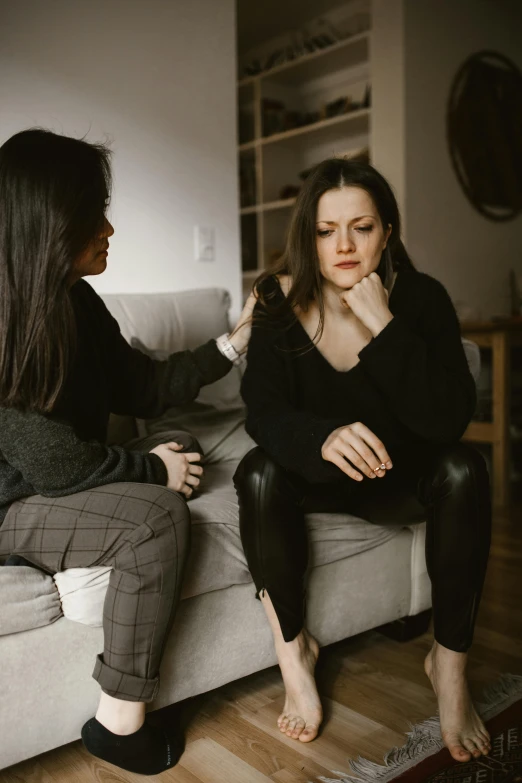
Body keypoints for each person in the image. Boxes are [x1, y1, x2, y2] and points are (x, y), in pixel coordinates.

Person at [0, 128, 255, 776]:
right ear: (52, 223)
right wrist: (150, 473)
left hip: (62, 474)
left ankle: (153, 476)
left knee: (183, 445)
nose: (109, 228)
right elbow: (55, 467)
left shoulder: (78, 302)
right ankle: (119, 722)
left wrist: (232, 341)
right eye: (95, 213)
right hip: (12, 504)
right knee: (156, 516)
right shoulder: (7, 319)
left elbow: (142, 384)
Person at [233, 158, 492, 763]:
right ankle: (296, 654)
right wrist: (319, 437)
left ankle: (447, 666)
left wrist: (385, 327)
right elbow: (263, 412)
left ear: (388, 232)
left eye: (362, 227)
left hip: (399, 479)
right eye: (326, 231)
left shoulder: (422, 298)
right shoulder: (276, 300)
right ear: (308, 236)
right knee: (256, 471)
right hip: (314, 480)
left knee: (465, 467)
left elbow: (448, 419)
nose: (344, 245)